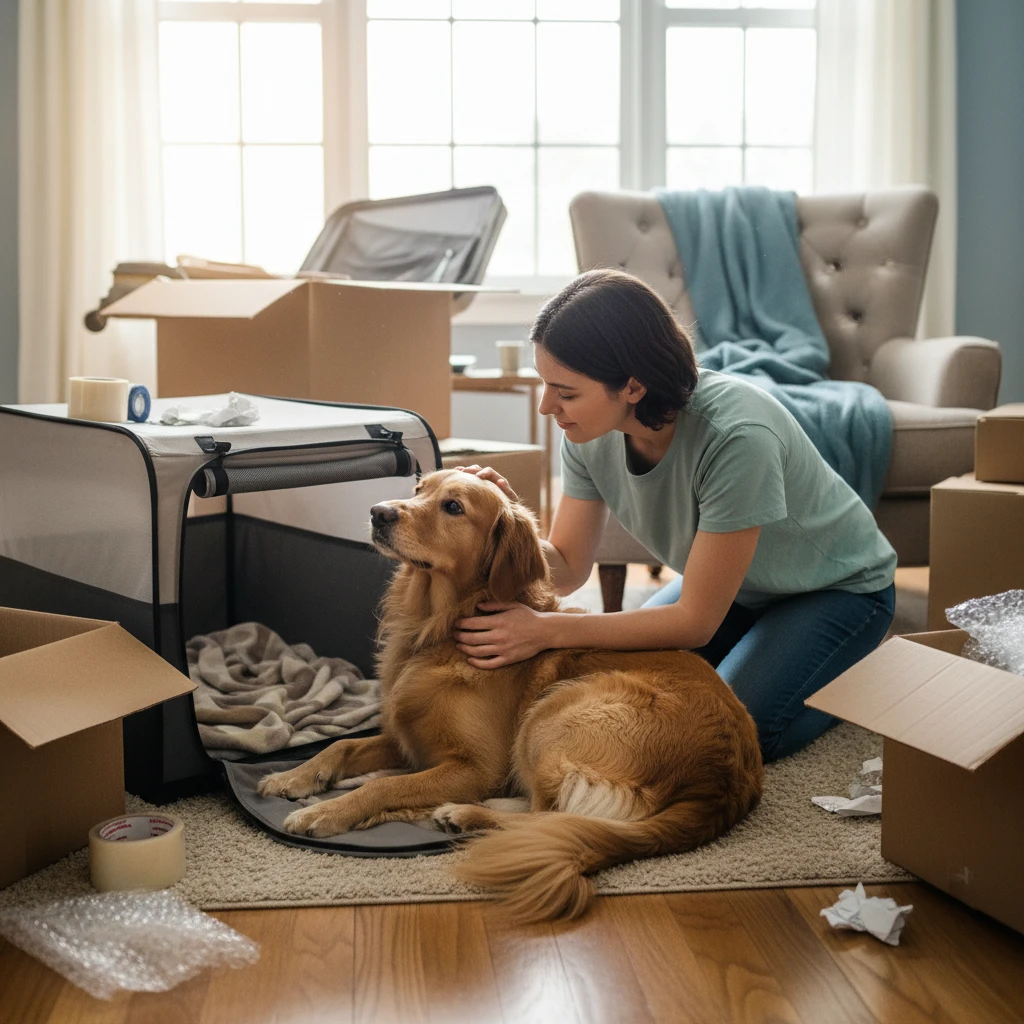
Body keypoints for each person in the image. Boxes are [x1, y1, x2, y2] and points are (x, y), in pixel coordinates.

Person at [453, 269, 896, 762]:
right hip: (736, 591)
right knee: (626, 694)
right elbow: (569, 567)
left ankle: (854, 685)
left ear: (633, 387)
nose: (545, 407)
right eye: (545, 385)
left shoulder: (737, 436)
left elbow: (694, 621)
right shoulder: (584, 433)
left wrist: (547, 629)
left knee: (731, 732)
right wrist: (501, 526)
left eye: (566, 392)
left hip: (837, 589)